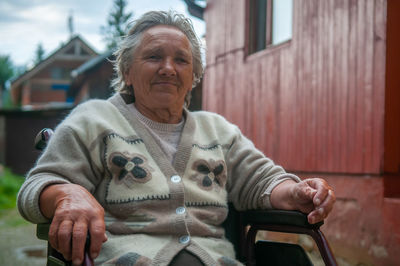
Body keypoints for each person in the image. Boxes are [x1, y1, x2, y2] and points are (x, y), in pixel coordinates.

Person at [17, 10, 335, 266]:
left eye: (181, 60)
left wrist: (295, 192)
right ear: (127, 71)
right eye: (154, 57)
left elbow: (262, 181)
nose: (168, 68)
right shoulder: (95, 119)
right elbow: (38, 185)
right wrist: (66, 194)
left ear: (193, 75)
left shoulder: (218, 131)